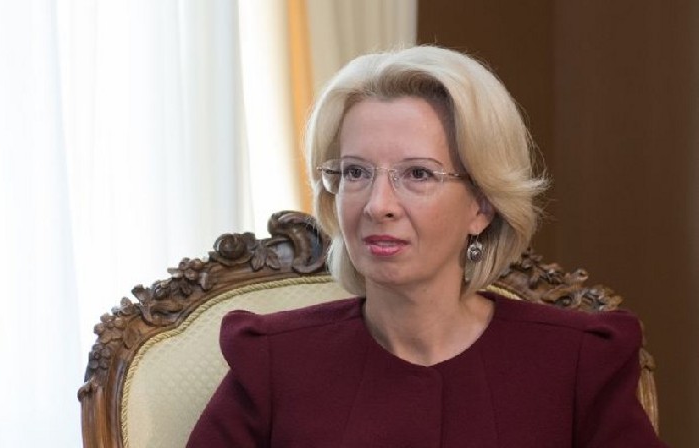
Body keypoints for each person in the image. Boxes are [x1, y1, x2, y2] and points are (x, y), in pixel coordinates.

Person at [187, 45, 666, 447]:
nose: (378, 205)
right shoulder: (274, 361)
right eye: (355, 172)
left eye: (418, 173)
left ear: (482, 204)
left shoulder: (578, 363)